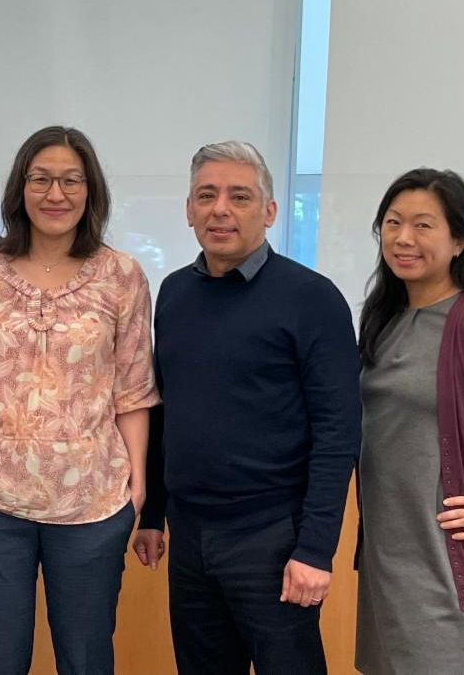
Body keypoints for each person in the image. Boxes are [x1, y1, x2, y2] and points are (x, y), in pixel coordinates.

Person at [133, 141, 361, 674]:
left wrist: (315, 550)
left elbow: (338, 430)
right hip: (190, 535)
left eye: (240, 196)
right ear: (188, 209)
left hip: (273, 536)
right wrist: (154, 514)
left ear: (270, 211)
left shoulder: (312, 299)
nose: (221, 209)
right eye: (206, 195)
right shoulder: (173, 294)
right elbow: (167, 410)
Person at [0, 125, 158, 674]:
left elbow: (132, 390)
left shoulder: (122, 275)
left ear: (91, 192)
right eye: (41, 179)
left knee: (85, 659)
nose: (55, 194)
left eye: (70, 181)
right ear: (21, 187)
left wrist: (136, 484)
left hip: (92, 501)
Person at [354, 168, 464, 674]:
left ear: (460, 239)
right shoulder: (384, 321)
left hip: (446, 571)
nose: (403, 238)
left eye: (423, 225)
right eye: (393, 223)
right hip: (385, 567)